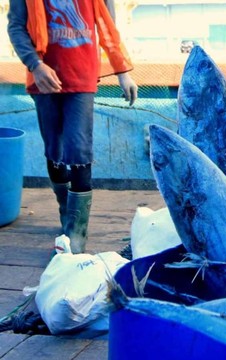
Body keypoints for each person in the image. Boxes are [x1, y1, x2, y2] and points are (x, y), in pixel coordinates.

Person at [8, 0, 138, 254]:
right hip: (44, 80)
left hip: (82, 79)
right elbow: (16, 27)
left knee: (78, 151)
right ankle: (66, 211)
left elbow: (107, 26)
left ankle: (77, 234)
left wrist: (122, 71)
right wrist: (35, 65)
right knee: (54, 150)